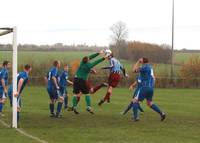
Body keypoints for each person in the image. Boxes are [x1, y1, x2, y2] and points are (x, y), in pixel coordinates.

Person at [131, 57, 166, 122]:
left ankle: (136, 118)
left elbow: (133, 70)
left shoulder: (144, 67)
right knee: (149, 103)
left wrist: (138, 62)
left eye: (141, 59)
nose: (140, 60)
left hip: (144, 87)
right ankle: (162, 113)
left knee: (134, 101)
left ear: (143, 61)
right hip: (151, 88)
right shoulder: (150, 67)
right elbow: (154, 78)